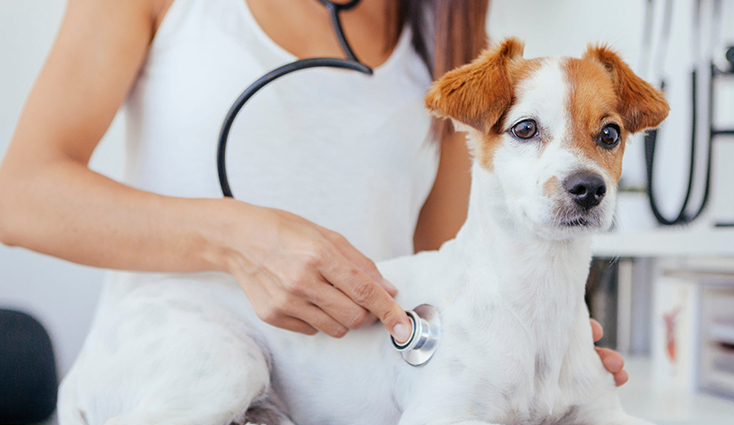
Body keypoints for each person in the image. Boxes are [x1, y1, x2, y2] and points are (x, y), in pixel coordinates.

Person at [0, 0, 627, 386]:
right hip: (174, 389)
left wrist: (527, 345)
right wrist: (237, 239)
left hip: (352, 423)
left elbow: (448, 264)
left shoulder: (450, 17)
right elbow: (20, 196)